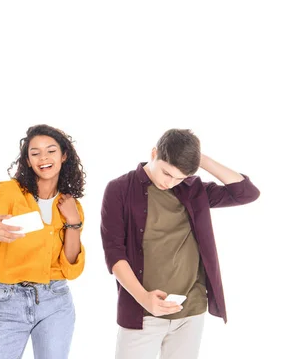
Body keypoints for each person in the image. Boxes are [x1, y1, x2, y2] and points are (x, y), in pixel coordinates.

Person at [100, 128, 260, 359]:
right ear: (154, 153)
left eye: (180, 177)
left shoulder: (192, 189)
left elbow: (247, 193)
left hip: (190, 309)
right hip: (141, 311)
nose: (171, 182)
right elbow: (114, 253)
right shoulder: (119, 189)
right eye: (167, 173)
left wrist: (198, 158)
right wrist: (143, 298)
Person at [0, 124, 86, 359]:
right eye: (35, 153)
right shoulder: (11, 191)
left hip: (55, 302)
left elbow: (70, 267)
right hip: (9, 302)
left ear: (64, 155)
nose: (43, 158)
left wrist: (74, 222)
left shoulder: (71, 206)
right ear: (27, 160)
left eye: (51, 151)